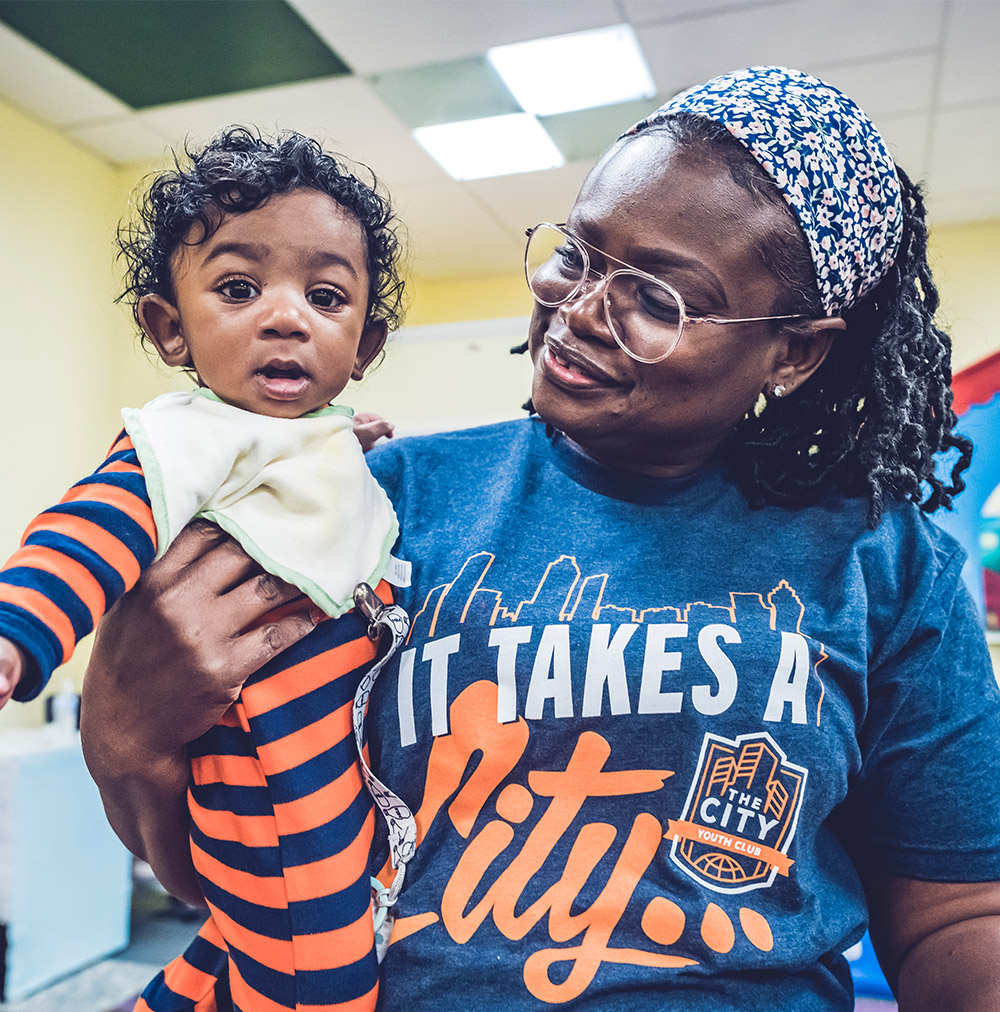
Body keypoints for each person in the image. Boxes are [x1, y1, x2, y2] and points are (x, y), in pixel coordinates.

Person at [81, 67, 1000, 1011]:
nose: (581, 308)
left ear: (795, 351)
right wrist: (116, 720)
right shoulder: (369, 503)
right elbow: (216, 848)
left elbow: (955, 912)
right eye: (579, 254)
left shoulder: (884, 566)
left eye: (659, 299)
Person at [0, 128, 408, 1011]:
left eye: (326, 295)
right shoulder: (186, 433)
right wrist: (19, 632)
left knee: (251, 936)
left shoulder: (321, 438)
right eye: (237, 287)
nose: (286, 315)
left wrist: (352, 440)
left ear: (363, 345)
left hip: (333, 745)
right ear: (168, 328)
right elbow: (94, 525)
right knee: (320, 961)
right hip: (256, 749)